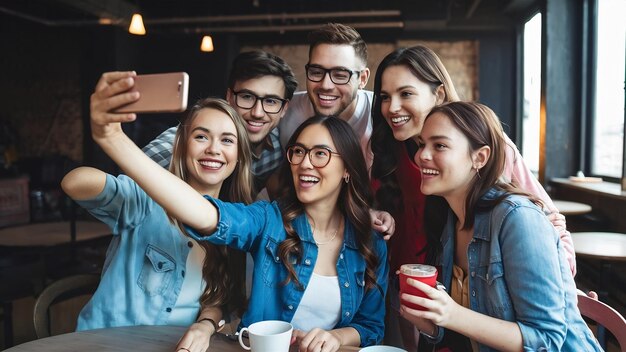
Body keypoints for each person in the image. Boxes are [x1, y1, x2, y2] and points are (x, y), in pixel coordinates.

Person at [89, 94, 389, 351]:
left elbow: (370, 325)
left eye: (320, 154)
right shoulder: (268, 220)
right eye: (298, 152)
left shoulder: (369, 242)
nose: (305, 163)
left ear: (347, 169)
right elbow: (209, 216)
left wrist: (335, 337)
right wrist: (113, 140)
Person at [369, 45, 576, 350]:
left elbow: (541, 227)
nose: (392, 107)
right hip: (434, 284)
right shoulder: (448, 209)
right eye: (385, 97)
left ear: (438, 95)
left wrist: (563, 289)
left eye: (406, 94)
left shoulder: (487, 153)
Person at [62, 89, 253, 352]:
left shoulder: (236, 227)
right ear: (181, 146)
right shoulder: (144, 203)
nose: (213, 149)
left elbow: (216, 298)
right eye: (201, 137)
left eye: (227, 141)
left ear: (240, 155)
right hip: (102, 345)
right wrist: (113, 141)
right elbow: (74, 182)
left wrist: (205, 325)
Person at [401, 101, 601, 351]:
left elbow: (546, 341)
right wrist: (431, 323)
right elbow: (471, 333)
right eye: (422, 144)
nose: (421, 155)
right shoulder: (452, 220)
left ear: (480, 157)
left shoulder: (518, 218)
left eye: (439, 145)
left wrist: (451, 314)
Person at [142, 50, 298, 195]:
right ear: (229, 97)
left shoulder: (278, 148)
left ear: (284, 108)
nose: (257, 113)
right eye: (247, 97)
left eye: (271, 101)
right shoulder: (179, 143)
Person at [278, 23, 373, 166]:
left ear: (363, 79)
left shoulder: (382, 113)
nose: (325, 85)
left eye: (340, 75)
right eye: (316, 72)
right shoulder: (284, 111)